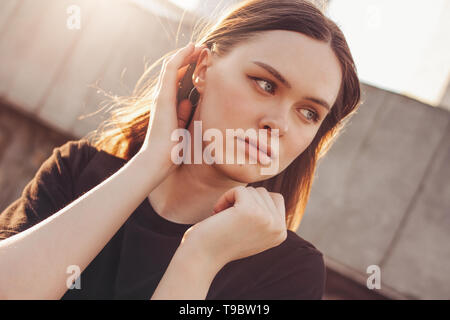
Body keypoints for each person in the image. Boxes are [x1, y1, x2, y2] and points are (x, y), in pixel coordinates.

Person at [0, 0, 361, 299]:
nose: (279, 123)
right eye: (265, 84)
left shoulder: (289, 272)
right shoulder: (78, 171)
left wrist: (201, 256)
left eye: (308, 113)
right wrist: (150, 163)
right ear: (203, 68)